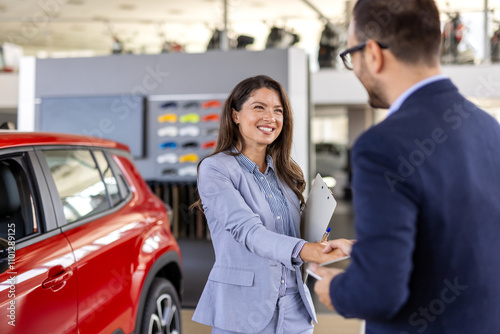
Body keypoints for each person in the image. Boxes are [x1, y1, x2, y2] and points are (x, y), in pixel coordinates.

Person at [311, 0, 500, 333]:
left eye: (350, 57)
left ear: (372, 53)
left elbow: (379, 293)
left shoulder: (381, 145)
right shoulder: (489, 129)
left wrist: (335, 289)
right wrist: (368, 249)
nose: (353, 69)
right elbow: (462, 239)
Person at [191, 75, 352, 333]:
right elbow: (250, 232)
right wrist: (307, 249)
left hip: (295, 310)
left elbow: (293, 237)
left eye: (278, 110)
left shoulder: (286, 172)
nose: (271, 117)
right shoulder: (215, 169)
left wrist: (324, 244)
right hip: (242, 311)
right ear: (235, 115)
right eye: (259, 107)